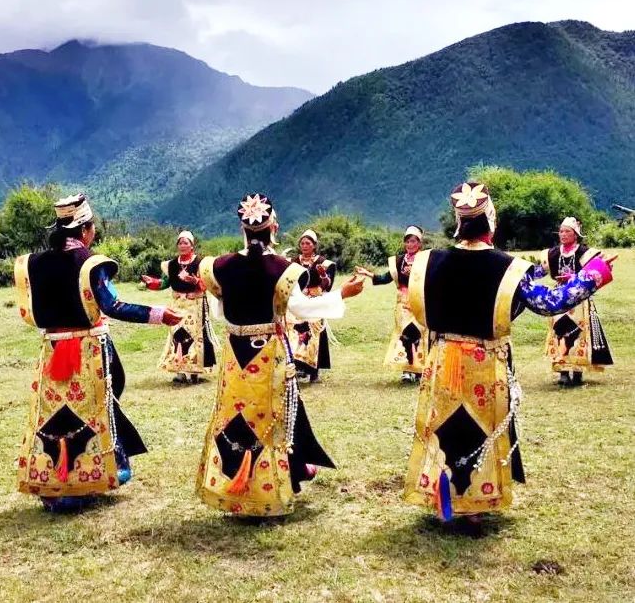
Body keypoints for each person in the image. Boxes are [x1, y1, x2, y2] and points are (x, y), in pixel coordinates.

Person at [403, 183, 616, 523]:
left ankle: (444, 494)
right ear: (491, 221)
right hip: (484, 361)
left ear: (458, 222)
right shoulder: (508, 267)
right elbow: (550, 302)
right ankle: (474, 504)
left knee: (446, 422)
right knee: (478, 426)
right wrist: (594, 274)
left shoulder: (429, 262)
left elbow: (420, 310)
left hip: (443, 359)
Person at [196, 194, 364, 517]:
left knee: (237, 417)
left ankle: (241, 481)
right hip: (267, 354)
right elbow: (301, 309)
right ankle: (279, 480)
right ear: (273, 227)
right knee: (273, 417)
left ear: (243, 229)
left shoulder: (219, 266)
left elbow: (218, 312)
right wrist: (342, 293)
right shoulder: (283, 270)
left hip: (235, 356)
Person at [13, 194, 182, 512]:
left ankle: (53, 479)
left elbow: (31, 314)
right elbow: (112, 305)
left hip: (53, 349)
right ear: (85, 230)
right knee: (92, 408)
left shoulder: (31, 264)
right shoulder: (90, 263)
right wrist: (158, 314)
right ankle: (88, 478)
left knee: (56, 412)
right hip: (88, 349)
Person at [539, 217, 613, 387]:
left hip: (580, 297)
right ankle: (563, 371)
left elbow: (597, 270)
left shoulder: (585, 253)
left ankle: (578, 371)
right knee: (560, 331)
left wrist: (574, 277)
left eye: (567, 231)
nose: (563, 234)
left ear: (576, 234)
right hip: (560, 296)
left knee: (579, 332)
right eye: (561, 231)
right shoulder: (553, 253)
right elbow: (539, 270)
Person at [141, 231, 218, 384]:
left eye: (186, 243)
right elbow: (164, 283)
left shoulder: (200, 263)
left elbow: (207, 285)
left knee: (194, 335)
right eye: (180, 243)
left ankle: (194, 371)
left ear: (192, 246)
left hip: (195, 305)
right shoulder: (171, 265)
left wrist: (196, 281)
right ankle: (180, 371)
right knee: (177, 334)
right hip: (177, 305)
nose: (182, 245)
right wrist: (151, 282)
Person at [356, 226, 429, 383]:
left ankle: (418, 370)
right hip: (403, 304)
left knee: (418, 334)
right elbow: (385, 278)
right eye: (408, 241)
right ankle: (406, 370)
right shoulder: (398, 261)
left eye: (413, 241)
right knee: (405, 334)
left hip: (419, 302)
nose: (410, 244)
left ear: (419, 243)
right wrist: (367, 273)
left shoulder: (426, 260)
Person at [286, 229, 336, 383]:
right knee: (294, 331)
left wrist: (323, 275)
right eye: (302, 243)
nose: (305, 246)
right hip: (298, 300)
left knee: (314, 333)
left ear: (314, 245)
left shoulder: (323, 262)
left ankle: (313, 371)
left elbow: (327, 286)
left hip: (315, 301)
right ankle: (299, 366)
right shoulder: (294, 262)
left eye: (308, 243)